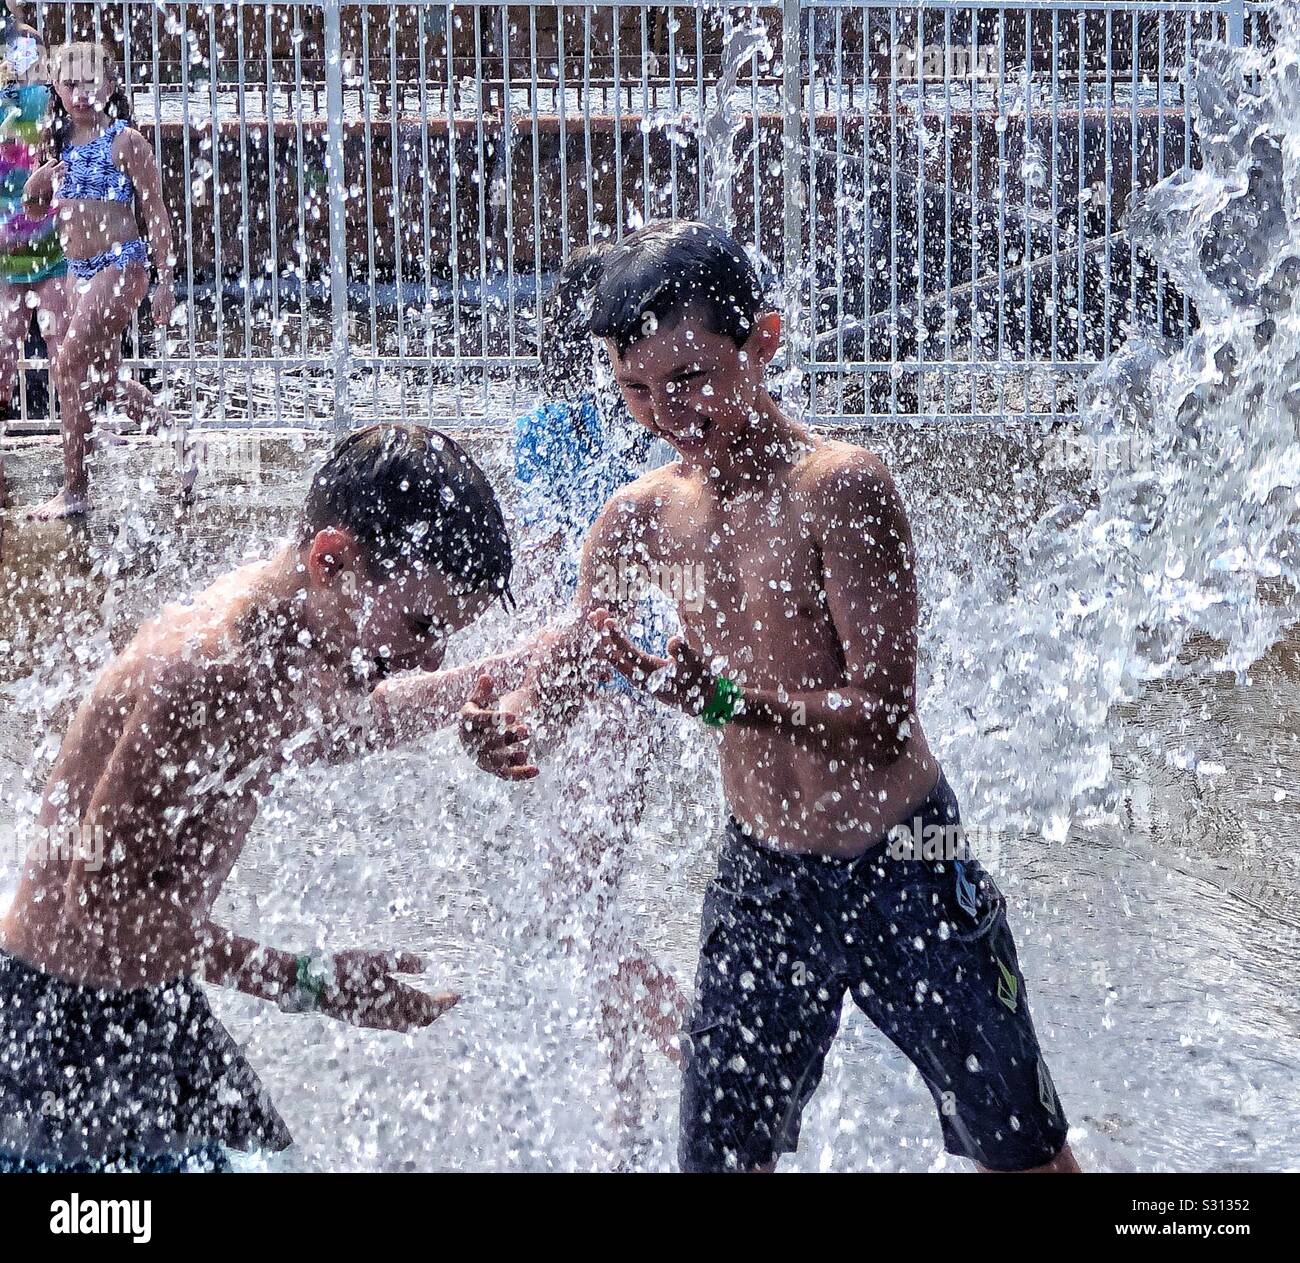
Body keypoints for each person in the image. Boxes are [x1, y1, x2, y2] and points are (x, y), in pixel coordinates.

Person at [461, 219, 1080, 1173]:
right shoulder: (638, 519)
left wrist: (730, 703)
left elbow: (880, 716)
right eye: (636, 389)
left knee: (1024, 1152)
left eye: (690, 377)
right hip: (764, 881)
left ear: (765, 342)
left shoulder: (841, 490)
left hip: (907, 857)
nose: (668, 412)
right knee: (719, 1161)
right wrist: (516, 718)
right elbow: (587, 650)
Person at [0, 424, 540, 1172]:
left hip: (151, 1002)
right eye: (422, 624)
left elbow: (354, 722)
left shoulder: (296, 633)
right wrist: (308, 981)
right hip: (61, 1033)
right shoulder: (206, 667)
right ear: (331, 559)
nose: (430, 652)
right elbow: (103, 909)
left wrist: (529, 661)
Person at [511, 242, 681, 1153]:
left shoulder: (547, 432)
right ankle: (628, 1111)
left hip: (599, 691)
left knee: (573, 905)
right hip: (621, 689)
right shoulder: (646, 433)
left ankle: (695, 1048)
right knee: (594, 903)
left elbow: (541, 570)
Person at [21, 41, 174, 520]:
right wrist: (37, 185)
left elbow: (155, 211)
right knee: (105, 382)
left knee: (66, 366)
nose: (81, 93)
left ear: (109, 84)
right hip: (77, 271)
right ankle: (184, 447)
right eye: (70, 84)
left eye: (91, 82)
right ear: (57, 88)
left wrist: (165, 280)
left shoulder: (126, 142)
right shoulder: (57, 145)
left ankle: (75, 489)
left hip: (121, 264)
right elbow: (32, 209)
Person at [0, 26, 68, 425]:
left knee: (7, 344)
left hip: (15, 240)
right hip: (44, 240)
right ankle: (79, 428)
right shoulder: (52, 103)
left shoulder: (32, 102)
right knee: (60, 347)